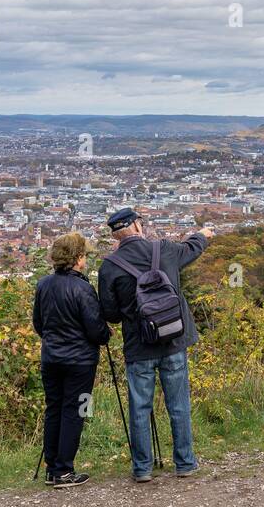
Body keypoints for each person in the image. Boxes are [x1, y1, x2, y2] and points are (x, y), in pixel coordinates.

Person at [98, 208, 214, 482]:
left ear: (116, 235)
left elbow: (111, 314)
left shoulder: (110, 267)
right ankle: (185, 463)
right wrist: (203, 235)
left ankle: (142, 468)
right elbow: (191, 249)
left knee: (140, 407)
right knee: (178, 404)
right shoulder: (163, 249)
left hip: (139, 348)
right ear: (138, 226)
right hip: (174, 340)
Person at [32, 232, 111, 489]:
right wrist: (105, 331)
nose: (85, 260)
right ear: (77, 259)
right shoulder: (83, 288)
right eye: (84, 255)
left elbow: (38, 324)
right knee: (76, 411)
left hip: (51, 359)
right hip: (80, 362)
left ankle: (52, 469)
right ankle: (64, 470)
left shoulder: (43, 285)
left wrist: (55, 339)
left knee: (53, 409)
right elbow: (96, 332)